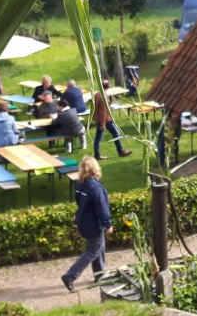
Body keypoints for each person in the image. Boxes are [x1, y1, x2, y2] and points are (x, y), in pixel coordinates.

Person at [61, 156, 113, 292]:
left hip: (84, 221)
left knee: (99, 247)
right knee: (93, 251)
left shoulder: (80, 184)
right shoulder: (95, 187)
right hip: (94, 224)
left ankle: (99, 275)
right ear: (95, 168)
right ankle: (70, 276)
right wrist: (108, 224)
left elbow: (79, 202)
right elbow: (102, 207)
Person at [92, 80, 132, 159]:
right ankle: (120, 152)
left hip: (99, 118)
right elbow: (103, 111)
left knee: (99, 137)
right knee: (114, 134)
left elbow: (98, 107)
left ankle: (98, 154)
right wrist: (103, 124)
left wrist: (109, 107)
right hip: (104, 120)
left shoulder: (97, 94)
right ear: (108, 86)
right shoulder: (104, 96)